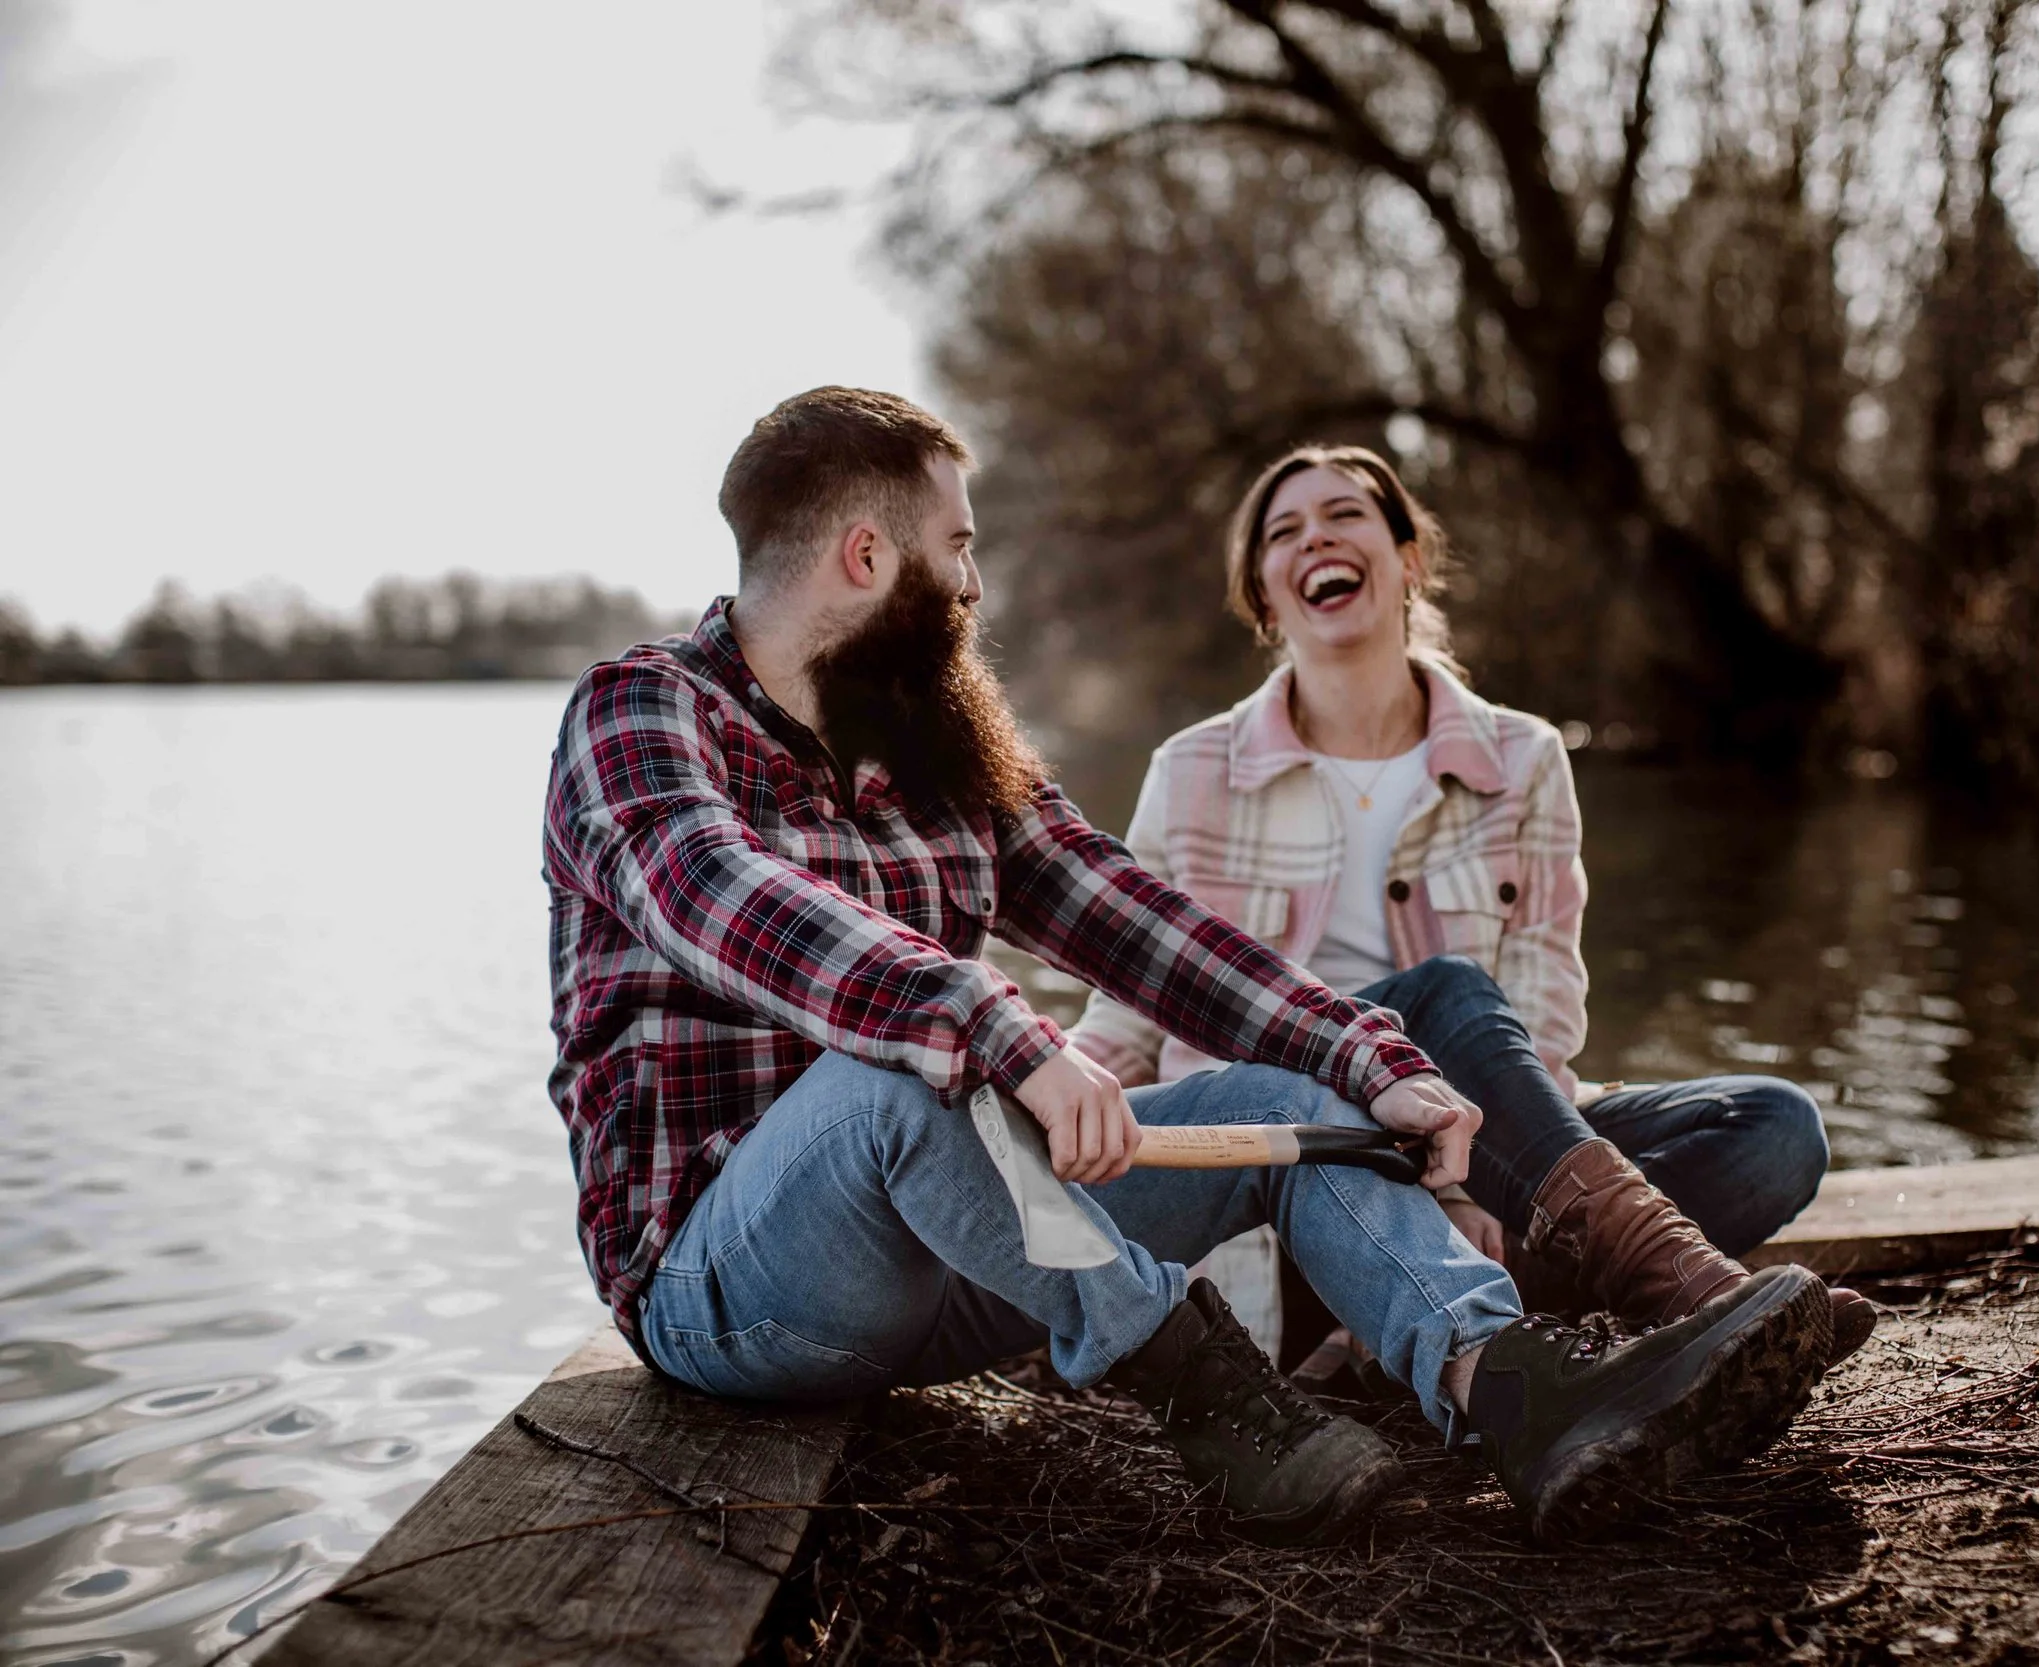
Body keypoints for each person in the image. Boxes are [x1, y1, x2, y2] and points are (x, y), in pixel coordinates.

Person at [540, 388, 1839, 1549]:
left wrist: (1369, 1060)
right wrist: (1000, 1027)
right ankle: (1216, 1398)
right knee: (889, 1074)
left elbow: (1141, 917)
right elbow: (719, 891)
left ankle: (1512, 1385)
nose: (976, 584)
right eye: (961, 546)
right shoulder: (638, 711)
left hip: (965, 1249)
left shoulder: (931, 745)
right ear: (868, 557)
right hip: (730, 1289)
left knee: (1297, 1096)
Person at [1068, 444, 1876, 1368]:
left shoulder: (1520, 757)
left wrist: (1474, 1174)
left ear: (1409, 558)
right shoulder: (1192, 771)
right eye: (1283, 532)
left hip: (1485, 1128)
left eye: (1345, 515)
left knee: (1774, 1129)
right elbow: (1129, 997)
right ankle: (1676, 1289)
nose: (1315, 539)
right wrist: (1042, 1095)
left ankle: (1404, 1321)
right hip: (1288, 1149)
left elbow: (1539, 1001)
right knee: (1437, 993)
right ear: (1263, 596)